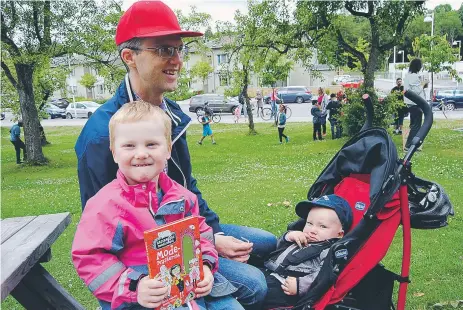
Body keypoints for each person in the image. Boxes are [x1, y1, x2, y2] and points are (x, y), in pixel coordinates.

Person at [74, 1, 276, 308]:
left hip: (183, 231)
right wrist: (134, 287)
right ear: (129, 56)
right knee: (254, 284)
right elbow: (99, 234)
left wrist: (213, 239)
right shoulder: (104, 134)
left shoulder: (171, 116)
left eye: (179, 50)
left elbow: (187, 188)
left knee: (266, 241)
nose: (177, 60)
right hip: (142, 258)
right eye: (164, 50)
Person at [72, 102, 220, 310]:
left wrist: (204, 264)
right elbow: (90, 256)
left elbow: (201, 234)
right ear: (114, 153)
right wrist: (135, 286)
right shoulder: (104, 206)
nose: (141, 153)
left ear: (168, 149)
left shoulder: (182, 197)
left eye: (151, 144)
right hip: (133, 300)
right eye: (129, 146)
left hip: (181, 290)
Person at [261, 194, 353, 309]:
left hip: (286, 288)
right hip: (270, 272)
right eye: (309, 223)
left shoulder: (328, 251)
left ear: (340, 234)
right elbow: (277, 250)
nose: (313, 230)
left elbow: (324, 276)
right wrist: (288, 236)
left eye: (323, 226)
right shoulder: (302, 237)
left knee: (257, 291)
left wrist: (300, 285)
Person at [404, 58, 426, 151]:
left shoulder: (408, 76)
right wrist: (423, 84)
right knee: (416, 126)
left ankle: (411, 145)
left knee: (414, 125)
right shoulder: (414, 76)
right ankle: (408, 145)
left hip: (411, 104)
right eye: (420, 65)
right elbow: (416, 91)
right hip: (415, 104)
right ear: (418, 66)